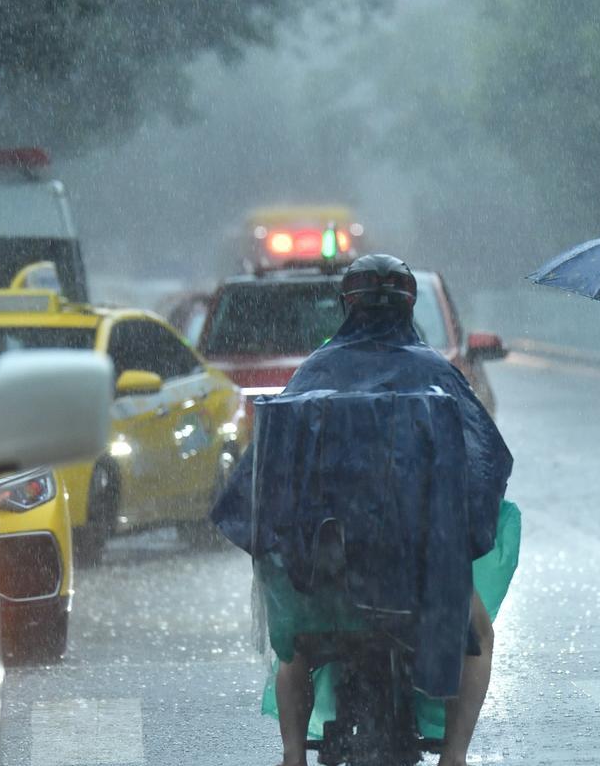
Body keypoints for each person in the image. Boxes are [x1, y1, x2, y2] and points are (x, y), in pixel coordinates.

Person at [214, 254, 512, 766]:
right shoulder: (437, 374)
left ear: (345, 304)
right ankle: (455, 757)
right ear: (409, 304)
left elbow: (261, 481)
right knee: (479, 635)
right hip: (420, 582)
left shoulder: (316, 372)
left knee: (294, 650)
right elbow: (486, 462)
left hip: (325, 578)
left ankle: (292, 756)